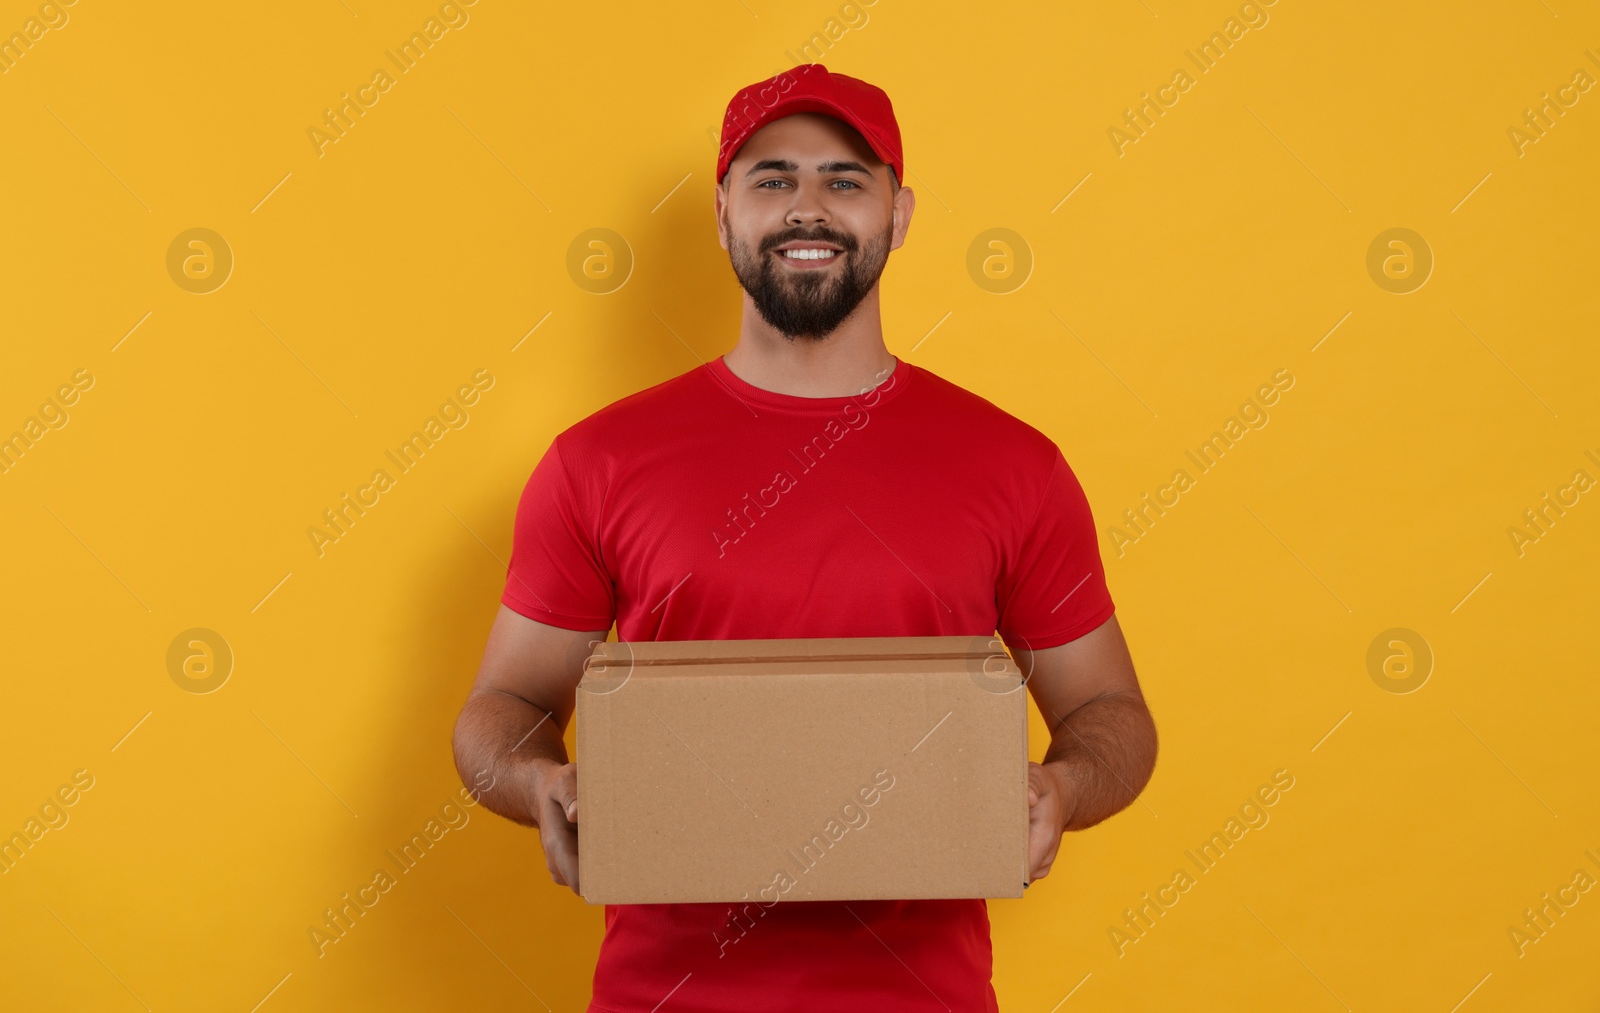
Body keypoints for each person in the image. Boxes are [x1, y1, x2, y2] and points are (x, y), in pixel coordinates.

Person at [452, 63, 1158, 1013]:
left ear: (900, 214)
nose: (807, 208)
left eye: (845, 180)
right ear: (722, 213)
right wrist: (542, 783)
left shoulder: (1012, 464)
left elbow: (1113, 713)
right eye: (773, 179)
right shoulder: (599, 461)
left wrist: (1062, 789)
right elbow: (502, 703)